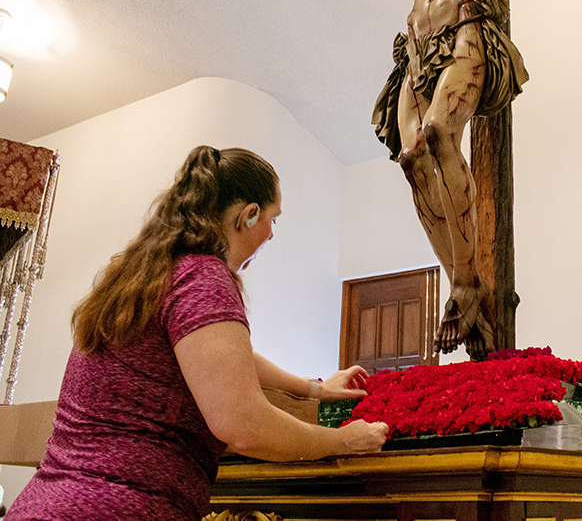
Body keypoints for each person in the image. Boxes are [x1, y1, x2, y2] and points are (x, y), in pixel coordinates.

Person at [6, 146, 388, 521]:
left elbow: (222, 357)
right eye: (274, 219)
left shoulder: (141, 273)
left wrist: (315, 388)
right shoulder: (203, 276)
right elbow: (244, 425)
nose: (271, 235)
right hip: (117, 505)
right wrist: (342, 440)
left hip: (47, 502)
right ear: (248, 215)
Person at [331, 0, 582, 360]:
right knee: (409, 157)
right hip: (417, 53)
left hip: (464, 33)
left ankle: (469, 282)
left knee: (436, 133)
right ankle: (460, 283)